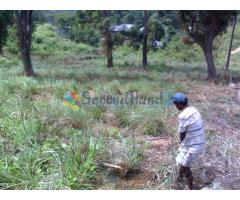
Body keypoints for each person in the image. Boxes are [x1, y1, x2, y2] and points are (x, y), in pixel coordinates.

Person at [171, 92, 205, 190]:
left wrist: (181, 144)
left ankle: (191, 188)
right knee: (182, 161)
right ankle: (178, 180)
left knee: (186, 167)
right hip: (199, 141)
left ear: (180, 104)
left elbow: (182, 133)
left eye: (175, 104)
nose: (175, 106)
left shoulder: (183, 115)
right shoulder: (194, 110)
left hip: (193, 146)